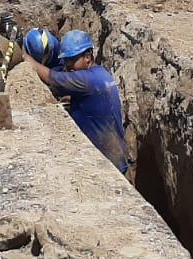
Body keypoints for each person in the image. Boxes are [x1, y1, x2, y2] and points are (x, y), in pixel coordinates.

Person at [22, 29, 128, 173]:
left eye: (72, 60)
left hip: (106, 164)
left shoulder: (85, 80)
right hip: (115, 156)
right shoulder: (100, 74)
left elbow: (50, 78)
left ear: (88, 57)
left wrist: (26, 59)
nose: (68, 66)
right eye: (66, 61)